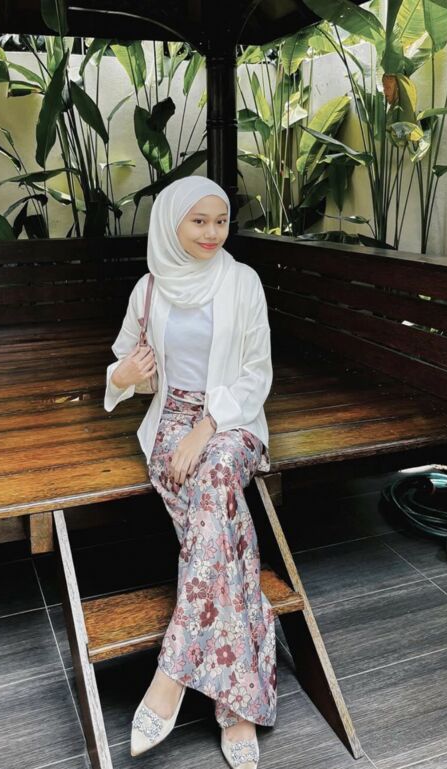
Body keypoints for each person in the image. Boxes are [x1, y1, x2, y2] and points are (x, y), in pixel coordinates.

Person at [103, 175, 276, 769]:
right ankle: (237, 707)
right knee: (224, 536)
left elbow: (256, 373)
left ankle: (172, 675)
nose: (211, 233)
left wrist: (208, 427)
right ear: (172, 223)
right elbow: (120, 363)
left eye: (220, 221)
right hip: (168, 424)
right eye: (198, 221)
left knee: (219, 474)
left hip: (233, 421)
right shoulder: (149, 288)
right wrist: (125, 377)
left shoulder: (243, 281)